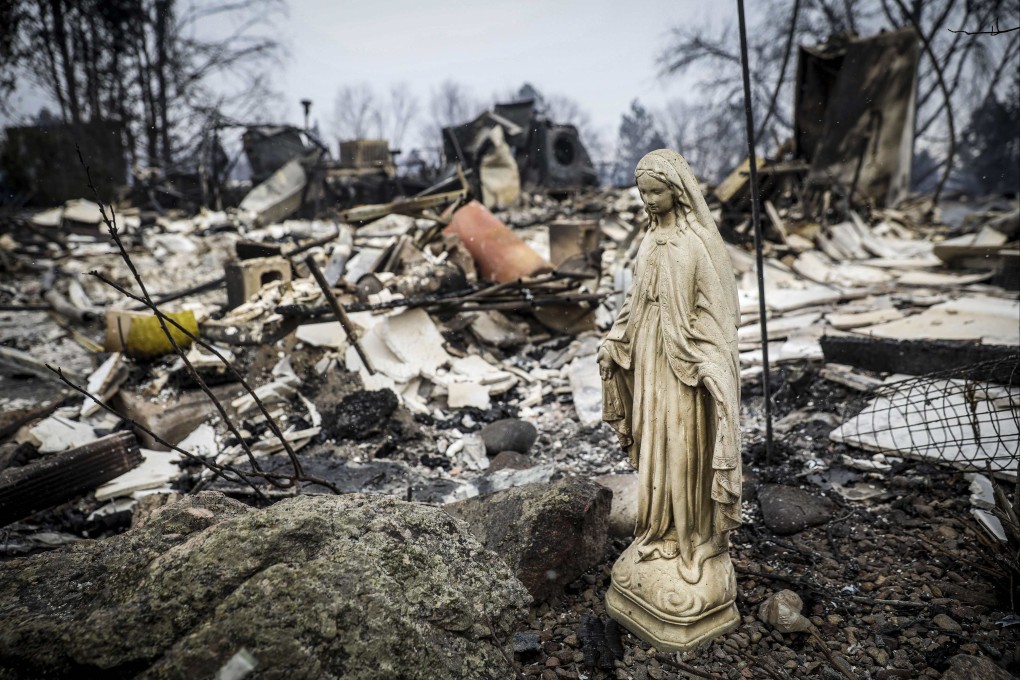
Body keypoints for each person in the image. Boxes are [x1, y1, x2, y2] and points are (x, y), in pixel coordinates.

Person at [598, 149, 742, 585]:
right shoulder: (647, 242)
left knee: (683, 451)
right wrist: (614, 341)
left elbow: (716, 313)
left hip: (685, 366)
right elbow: (634, 302)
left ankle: (694, 538)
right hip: (648, 360)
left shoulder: (694, 245)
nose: (649, 201)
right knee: (654, 447)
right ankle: (656, 531)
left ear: (676, 192)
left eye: (656, 192)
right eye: (643, 193)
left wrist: (712, 360)